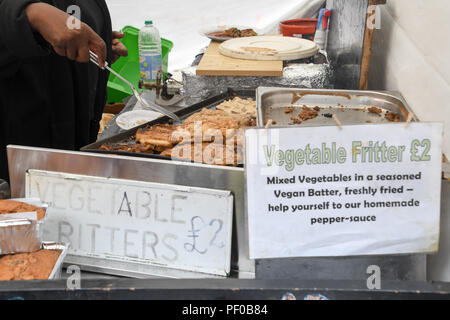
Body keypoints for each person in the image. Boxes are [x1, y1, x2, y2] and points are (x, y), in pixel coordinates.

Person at [0, 0, 128, 182]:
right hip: (21, 164)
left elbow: (68, 22)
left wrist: (97, 40)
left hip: (77, 149)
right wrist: (32, 14)